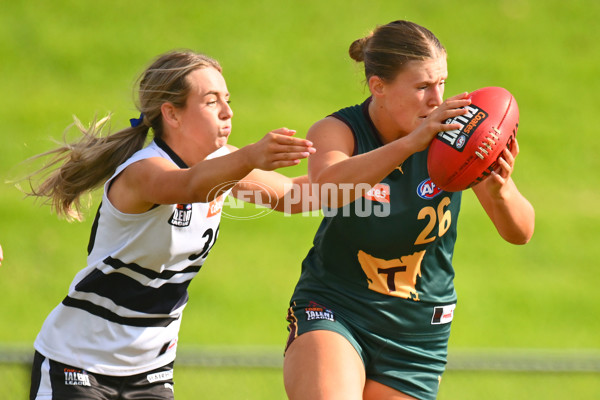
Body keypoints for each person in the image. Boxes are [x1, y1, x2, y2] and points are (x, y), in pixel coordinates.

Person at [26, 50, 315, 400]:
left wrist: (373, 178)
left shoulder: (222, 166)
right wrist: (251, 155)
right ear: (172, 114)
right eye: (211, 101)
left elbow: (297, 196)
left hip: (150, 371)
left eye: (228, 99)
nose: (228, 111)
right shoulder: (144, 171)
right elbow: (190, 186)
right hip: (77, 363)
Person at [282, 20, 535, 400]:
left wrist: (500, 190)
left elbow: (520, 233)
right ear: (378, 87)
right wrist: (411, 144)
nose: (437, 100)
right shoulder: (340, 130)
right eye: (421, 87)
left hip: (418, 331)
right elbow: (325, 189)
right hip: (337, 307)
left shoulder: (457, 134)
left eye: (442, 83)